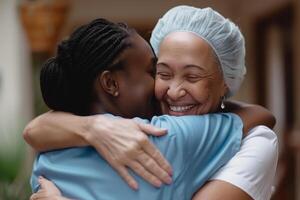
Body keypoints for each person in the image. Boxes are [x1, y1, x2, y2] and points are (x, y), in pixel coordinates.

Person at [25, 6, 278, 200]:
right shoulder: (162, 136)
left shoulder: (46, 158)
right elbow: (261, 115)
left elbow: (35, 129)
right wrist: (94, 128)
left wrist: (92, 128)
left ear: (226, 81)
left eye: (192, 76)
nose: (173, 91)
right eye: (158, 73)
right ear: (111, 84)